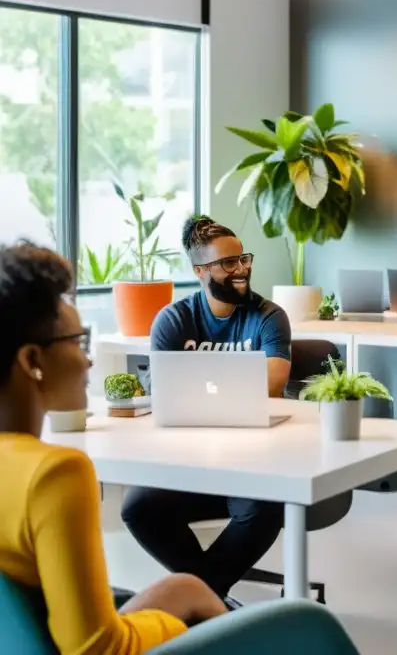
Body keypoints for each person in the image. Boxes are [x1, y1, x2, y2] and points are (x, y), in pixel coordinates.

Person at [0, 241, 227, 654]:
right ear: (32, 360)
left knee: (185, 586)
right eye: (78, 342)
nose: (89, 362)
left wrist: (182, 596)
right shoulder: (53, 473)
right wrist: (175, 623)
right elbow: (96, 649)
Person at [121, 216, 291, 602]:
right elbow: (165, 392)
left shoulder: (269, 316)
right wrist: (239, 380)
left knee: (264, 509)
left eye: (243, 259)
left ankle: (201, 599)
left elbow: (274, 381)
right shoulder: (173, 319)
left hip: (255, 460)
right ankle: (212, 601)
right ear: (200, 271)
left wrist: (198, 384)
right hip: (191, 462)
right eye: (228, 263)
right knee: (137, 508)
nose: (242, 269)